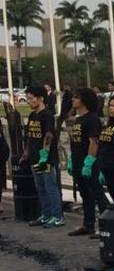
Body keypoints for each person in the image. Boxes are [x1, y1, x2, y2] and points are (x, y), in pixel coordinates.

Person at [66, 87, 108, 237]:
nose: (73, 99)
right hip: (78, 161)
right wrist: (72, 160)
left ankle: (106, 226)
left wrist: (89, 162)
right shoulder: (78, 119)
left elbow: (94, 142)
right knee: (85, 194)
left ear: (84, 100)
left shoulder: (92, 119)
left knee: (97, 193)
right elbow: (75, 141)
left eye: (76, 97)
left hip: (89, 163)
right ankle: (88, 224)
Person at [22, 85, 63, 228]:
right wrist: (27, 152)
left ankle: (57, 216)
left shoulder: (47, 115)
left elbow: (49, 135)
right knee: (40, 187)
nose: (29, 101)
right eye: (27, 98)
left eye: (31, 98)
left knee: (50, 186)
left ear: (40, 98)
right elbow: (29, 136)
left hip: (46, 159)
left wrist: (44, 154)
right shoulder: (32, 115)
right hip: (34, 158)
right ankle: (46, 214)